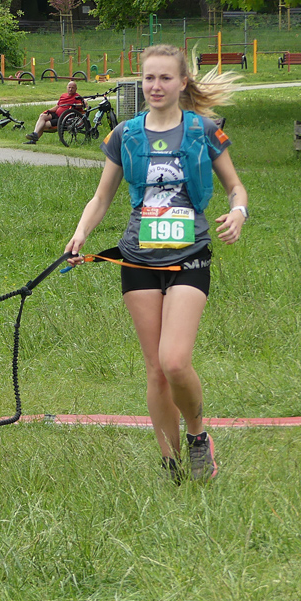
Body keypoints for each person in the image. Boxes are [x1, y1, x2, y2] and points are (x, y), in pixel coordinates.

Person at [63, 44, 249, 483]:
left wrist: (238, 212)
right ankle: (171, 466)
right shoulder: (124, 135)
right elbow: (102, 197)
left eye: (165, 78)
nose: (156, 86)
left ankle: (198, 436)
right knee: (156, 370)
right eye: (149, 78)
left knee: (174, 361)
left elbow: (235, 187)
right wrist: (81, 231)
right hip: (138, 259)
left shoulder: (204, 130)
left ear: (182, 82)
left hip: (190, 257)